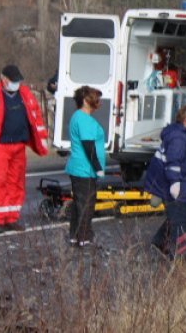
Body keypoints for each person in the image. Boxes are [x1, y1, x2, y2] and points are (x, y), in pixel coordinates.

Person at [0, 64, 49, 233]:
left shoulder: (25, 95)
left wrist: (42, 138)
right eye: (14, 81)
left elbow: (36, 116)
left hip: (19, 145)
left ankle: (12, 218)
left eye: (18, 81)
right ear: (3, 79)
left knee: (16, 182)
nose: (16, 84)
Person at [145, 104, 186, 260]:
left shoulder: (180, 134)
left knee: (175, 218)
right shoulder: (179, 137)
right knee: (180, 221)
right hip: (176, 187)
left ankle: (159, 242)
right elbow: (173, 161)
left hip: (181, 185)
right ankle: (179, 256)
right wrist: (175, 183)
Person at [65, 86, 106, 248]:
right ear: (85, 100)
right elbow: (88, 145)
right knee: (86, 204)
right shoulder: (84, 119)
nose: (98, 102)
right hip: (85, 168)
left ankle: (75, 235)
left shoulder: (77, 117)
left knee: (78, 203)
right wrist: (97, 167)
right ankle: (84, 237)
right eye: (95, 98)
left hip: (79, 167)